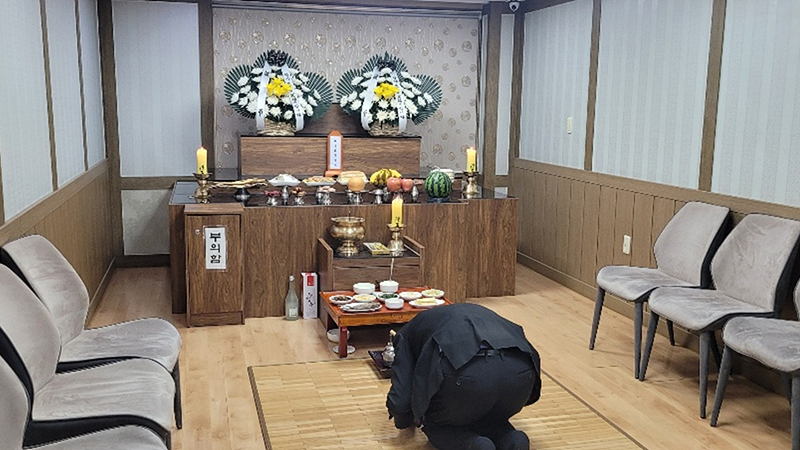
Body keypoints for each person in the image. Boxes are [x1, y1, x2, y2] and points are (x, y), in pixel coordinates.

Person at [386, 303, 541, 450]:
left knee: (436, 422)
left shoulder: (406, 333)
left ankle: (475, 446)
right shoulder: (470, 312)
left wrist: (406, 419)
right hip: (520, 374)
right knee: (491, 418)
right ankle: (514, 441)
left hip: (468, 377)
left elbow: (401, 399)